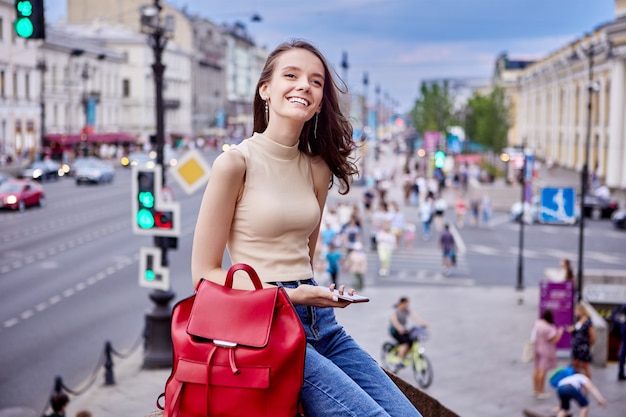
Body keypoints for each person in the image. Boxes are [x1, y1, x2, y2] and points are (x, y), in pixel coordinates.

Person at [190, 39, 421, 417]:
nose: (304, 86)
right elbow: (204, 275)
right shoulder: (235, 163)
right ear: (266, 88)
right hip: (268, 326)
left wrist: (322, 293)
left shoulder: (317, 168)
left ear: (319, 101)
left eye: (316, 82)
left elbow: (303, 257)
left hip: (323, 325)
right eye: (291, 75)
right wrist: (293, 297)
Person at [389, 297, 429, 372]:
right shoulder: (395, 311)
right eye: (406, 304)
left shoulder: (407, 310)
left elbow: (415, 317)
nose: (407, 306)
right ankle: (399, 360)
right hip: (395, 330)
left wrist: (423, 323)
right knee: (404, 343)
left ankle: (404, 355)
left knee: (411, 341)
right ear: (402, 303)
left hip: (403, 330)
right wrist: (399, 328)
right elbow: (394, 321)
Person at [532, 309, 564, 399]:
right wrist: (560, 333)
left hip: (537, 347)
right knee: (542, 370)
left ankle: (535, 389)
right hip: (546, 350)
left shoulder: (538, 324)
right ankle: (540, 391)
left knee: (536, 369)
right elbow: (554, 340)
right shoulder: (550, 328)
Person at [567, 303, 596, 378]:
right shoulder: (578, 320)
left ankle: (587, 383)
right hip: (576, 346)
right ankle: (576, 381)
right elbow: (575, 329)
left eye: (576, 311)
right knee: (575, 364)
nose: (575, 313)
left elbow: (592, 335)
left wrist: (588, 344)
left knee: (585, 365)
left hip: (583, 346)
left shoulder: (588, 321)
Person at [610, 303, 626, 380]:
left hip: (623, 329)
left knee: (622, 351)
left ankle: (621, 372)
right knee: (623, 352)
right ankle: (621, 373)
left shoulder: (622, 307)